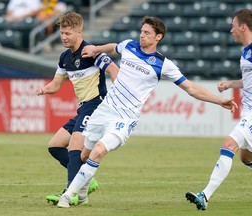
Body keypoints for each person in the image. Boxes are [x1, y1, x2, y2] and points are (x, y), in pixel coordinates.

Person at [56, 15, 238, 208]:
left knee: (99, 151)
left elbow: (191, 88)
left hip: (125, 119)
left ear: (158, 37)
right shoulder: (129, 46)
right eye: (142, 32)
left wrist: (219, 101)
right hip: (105, 110)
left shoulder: (163, 64)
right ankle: (83, 193)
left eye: (147, 33)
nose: (142, 36)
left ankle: (68, 196)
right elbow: (113, 46)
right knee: (84, 155)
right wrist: (96, 49)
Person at [36, 11, 119, 205]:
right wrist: (45, 89)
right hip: (83, 108)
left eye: (68, 33)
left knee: (75, 146)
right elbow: (56, 85)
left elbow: (114, 71)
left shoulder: (91, 52)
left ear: (79, 31)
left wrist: (119, 96)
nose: (64, 37)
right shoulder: (64, 57)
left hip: (96, 105)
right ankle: (85, 180)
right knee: (55, 146)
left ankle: (70, 193)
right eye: (62, 33)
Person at [185, 8, 252, 211]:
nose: (231, 31)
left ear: (243, 27)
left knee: (229, 144)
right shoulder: (246, 51)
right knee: (246, 157)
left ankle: (205, 195)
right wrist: (231, 84)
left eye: (233, 26)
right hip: (248, 110)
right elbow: (249, 81)